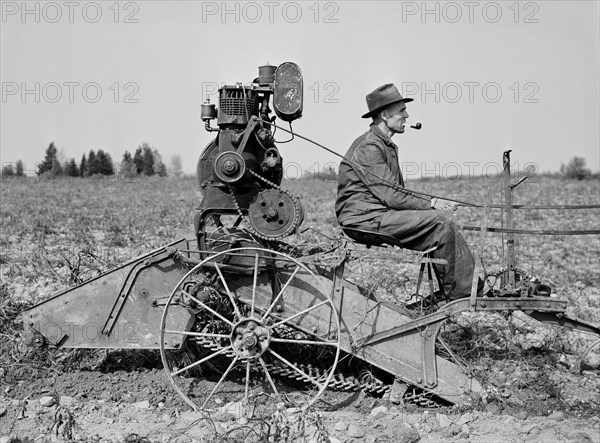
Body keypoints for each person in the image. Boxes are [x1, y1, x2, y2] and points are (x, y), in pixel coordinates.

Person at [336, 83, 479, 301]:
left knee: (439, 222)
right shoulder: (369, 148)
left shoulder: (384, 145)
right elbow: (392, 195)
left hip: (376, 215)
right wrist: (431, 203)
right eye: (401, 110)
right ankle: (462, 293)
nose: (407, 115)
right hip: (364, 219)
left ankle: (460, 289)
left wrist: (432, 203)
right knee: (441, 222)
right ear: (385, 114)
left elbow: (394, 193)